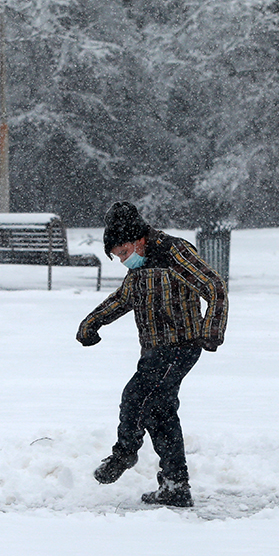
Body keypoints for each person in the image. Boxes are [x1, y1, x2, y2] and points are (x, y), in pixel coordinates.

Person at [77, 202, 228, 507]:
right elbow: (122, 299)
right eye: (118, 256)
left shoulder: (174, 252)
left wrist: (211, 329)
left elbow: (214, 286)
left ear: (138, 239)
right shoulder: (139, 268)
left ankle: (124, 454)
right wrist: (91, 323)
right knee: (160, 413)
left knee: (136, 396)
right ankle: (175, 486)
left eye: (124, 253)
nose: (123, 261)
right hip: (153, 349)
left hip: (181, 345)